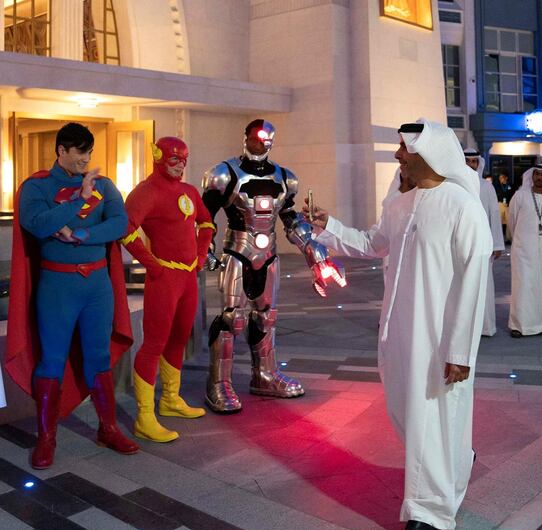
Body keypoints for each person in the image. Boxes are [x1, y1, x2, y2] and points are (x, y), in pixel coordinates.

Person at [308, 119, 492, 530]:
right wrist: (328, 227)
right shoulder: (399, 205)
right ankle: (457, 462)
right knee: (411, 417)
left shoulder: (464, 207)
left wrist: (460, 352)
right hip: (398, 334)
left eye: (403, 150)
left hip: (440, 338)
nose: (397, 157)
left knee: (433, 418)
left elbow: (474, 283)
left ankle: (429, 512)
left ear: (427, 155)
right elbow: (373, 244)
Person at [5, 122, 138, 469]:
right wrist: (77, 199)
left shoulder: (104, 185)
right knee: (51, 360)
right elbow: (37, 223)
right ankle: (46, 438)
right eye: (78, 151)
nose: (84, 159)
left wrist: (79, 233)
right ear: (61, 151)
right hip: (57, 286)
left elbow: (120, 224)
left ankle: (108, 427)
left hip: (96, 286)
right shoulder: (36, 187)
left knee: (98, 357)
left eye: (89, 152)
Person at [200, 119, 346, 413]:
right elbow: (205, 216)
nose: (263, 143)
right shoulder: (223, 174)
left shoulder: (285, 178)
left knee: (266, 317)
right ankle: (218, 382)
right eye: (257, 138)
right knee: (233, 318)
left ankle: (264, 374)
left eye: (268, 139)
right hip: (237, 252)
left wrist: (314, 253)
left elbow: (290, 219)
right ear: (246, 138)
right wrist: (205, 247)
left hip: (268, 256)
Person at [121, 137, 214, 442]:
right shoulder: (145, 192)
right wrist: (152, 264)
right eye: (175, 160)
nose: (180, 166)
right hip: (164, 279)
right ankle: (144, 417)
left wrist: (200, 256)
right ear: (159, 157)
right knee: (154, 343)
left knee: (178, 339)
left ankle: (170, 400)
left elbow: (206, 223)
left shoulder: (188, 191)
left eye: (184, 160)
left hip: (187, 278)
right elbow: (126, 230)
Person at [508, 164, 542, 337]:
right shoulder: (520, 196)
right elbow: (512, 221)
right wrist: (522, 239)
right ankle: (518, 325)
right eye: (536, 174)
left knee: (540, 285)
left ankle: (538, 324)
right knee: (523, 286)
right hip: (523, 249)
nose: (539, 177)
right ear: (532, 176)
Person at [465, 149, 504, 336]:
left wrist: (497, 244)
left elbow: (494, 215)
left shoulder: (487, 187)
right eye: (468, 161)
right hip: (460, 244)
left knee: (484, 285)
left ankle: (484, 326)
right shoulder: (453, 184)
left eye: (474, 161)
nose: (471, 165)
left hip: (482, 244)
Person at [494, 173, 513, 241]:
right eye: (500, 178)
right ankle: (498, 238)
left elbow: (512, 195)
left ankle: (508, 238)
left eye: (502, 177)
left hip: (508, 205)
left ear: (506, 178)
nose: (500, 179)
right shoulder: (497, 186)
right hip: (500, 204)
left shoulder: (510, 186)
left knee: (509, 222)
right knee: (499, 222)